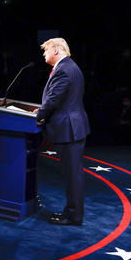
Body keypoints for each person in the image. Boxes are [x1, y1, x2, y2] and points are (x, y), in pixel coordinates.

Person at [33, 38, 90, 226]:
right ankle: (71, 212)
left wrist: (40, 115)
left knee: (73, 175)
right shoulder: (69, 67)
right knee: (72, 174)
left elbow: (53, 100)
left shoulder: (64, 69)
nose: (44, 54)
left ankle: (74, 216)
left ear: (56, 50)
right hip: (71, 126)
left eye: (46, 50)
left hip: (69, 128)